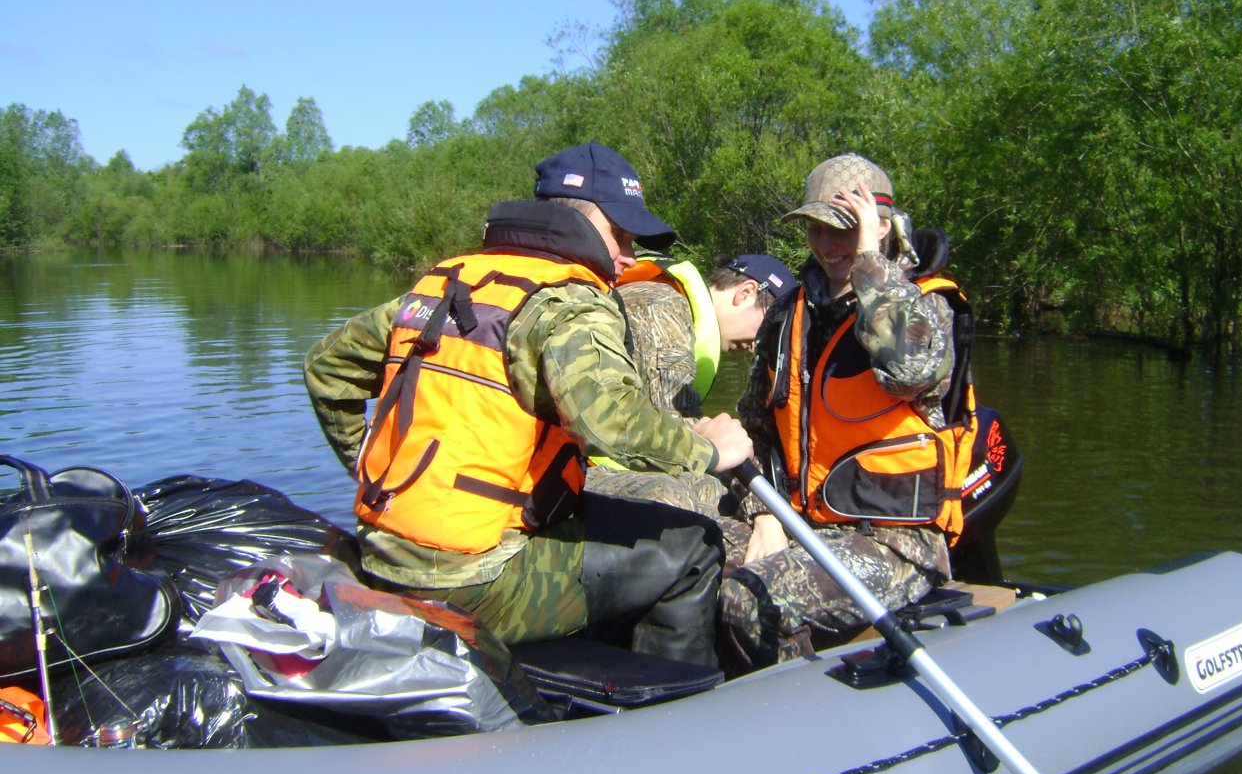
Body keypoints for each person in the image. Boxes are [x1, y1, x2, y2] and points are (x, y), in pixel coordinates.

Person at [303, 140, 753, 668]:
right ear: (587, 223)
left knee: (593, 512)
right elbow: (612, 422)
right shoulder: (568, 303)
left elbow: (326, 368)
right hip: (472, 583)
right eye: (623, 235)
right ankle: (668, 712)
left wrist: (373, 469)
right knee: (693, 546)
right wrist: (705, 449)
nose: (631, 256)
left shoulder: (450, 281)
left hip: (386, 550)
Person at [718, 153, 979, 673]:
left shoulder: (927, 306)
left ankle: (800, 718)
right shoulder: (791, 312)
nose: (826, 245)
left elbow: (910, 370)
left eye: (842, 230)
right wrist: (767, 515)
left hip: (896, 540)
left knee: (748, 599)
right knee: (691, 555)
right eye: (816, 229)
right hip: (802, 518)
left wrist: (869, 260)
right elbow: (759, 428)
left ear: (881, 227)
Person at [585, 252, 795, 518]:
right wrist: (763, 506)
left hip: (610, 458)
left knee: (717, 486)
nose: (757, 345)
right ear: (746, 293)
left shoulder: (679, 308)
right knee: (705, 495)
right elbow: (669, 428)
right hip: (582, 465)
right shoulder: (662, 306)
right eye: (768, 327)